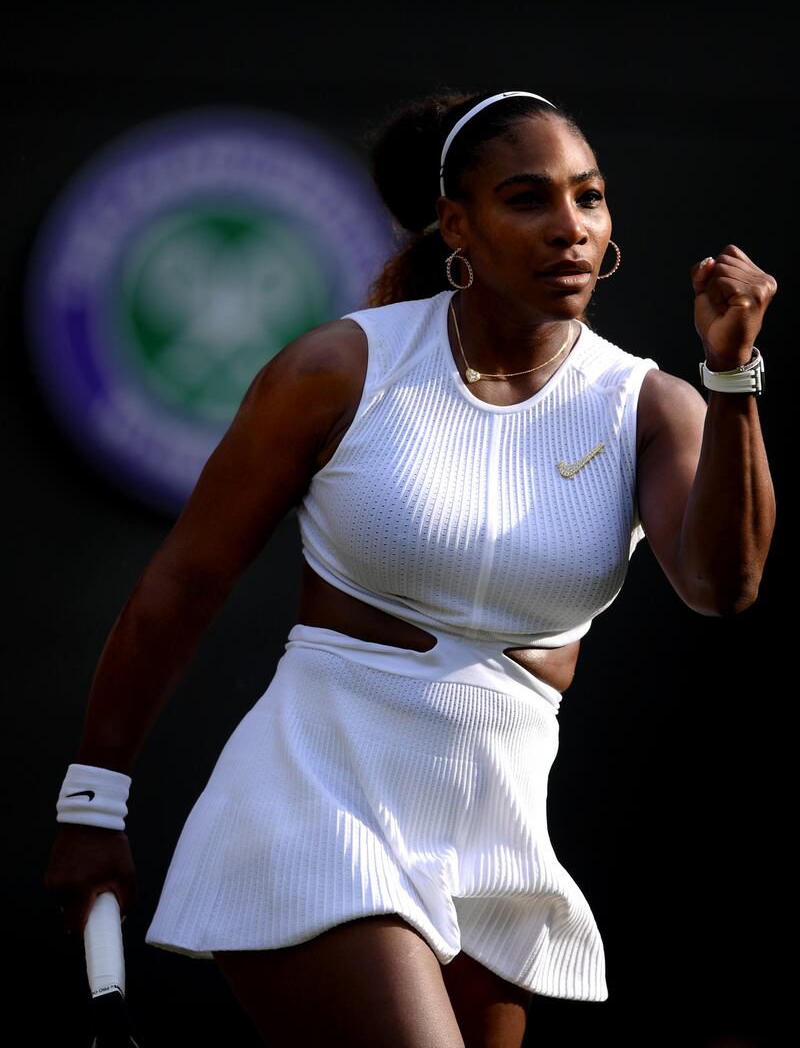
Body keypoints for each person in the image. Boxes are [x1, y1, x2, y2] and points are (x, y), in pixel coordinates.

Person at [44, 89, 777, 1048]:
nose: (570, 228)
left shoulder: (654, 405)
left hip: (499, 835)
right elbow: (184, 582)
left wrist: (730, 379)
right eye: (528, 200)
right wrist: (93, 798)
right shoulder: (338, 368)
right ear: (456, 223)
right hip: (318, 803)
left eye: (589, 197)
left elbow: (722, 586)